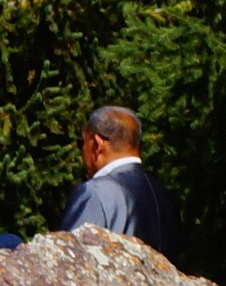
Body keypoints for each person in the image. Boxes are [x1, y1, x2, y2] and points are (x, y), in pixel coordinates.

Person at [58, 104, 174, 251]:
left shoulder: (94, 193)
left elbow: (68, 260)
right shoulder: (166, 196)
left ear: (97, 144)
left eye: (82, 142)